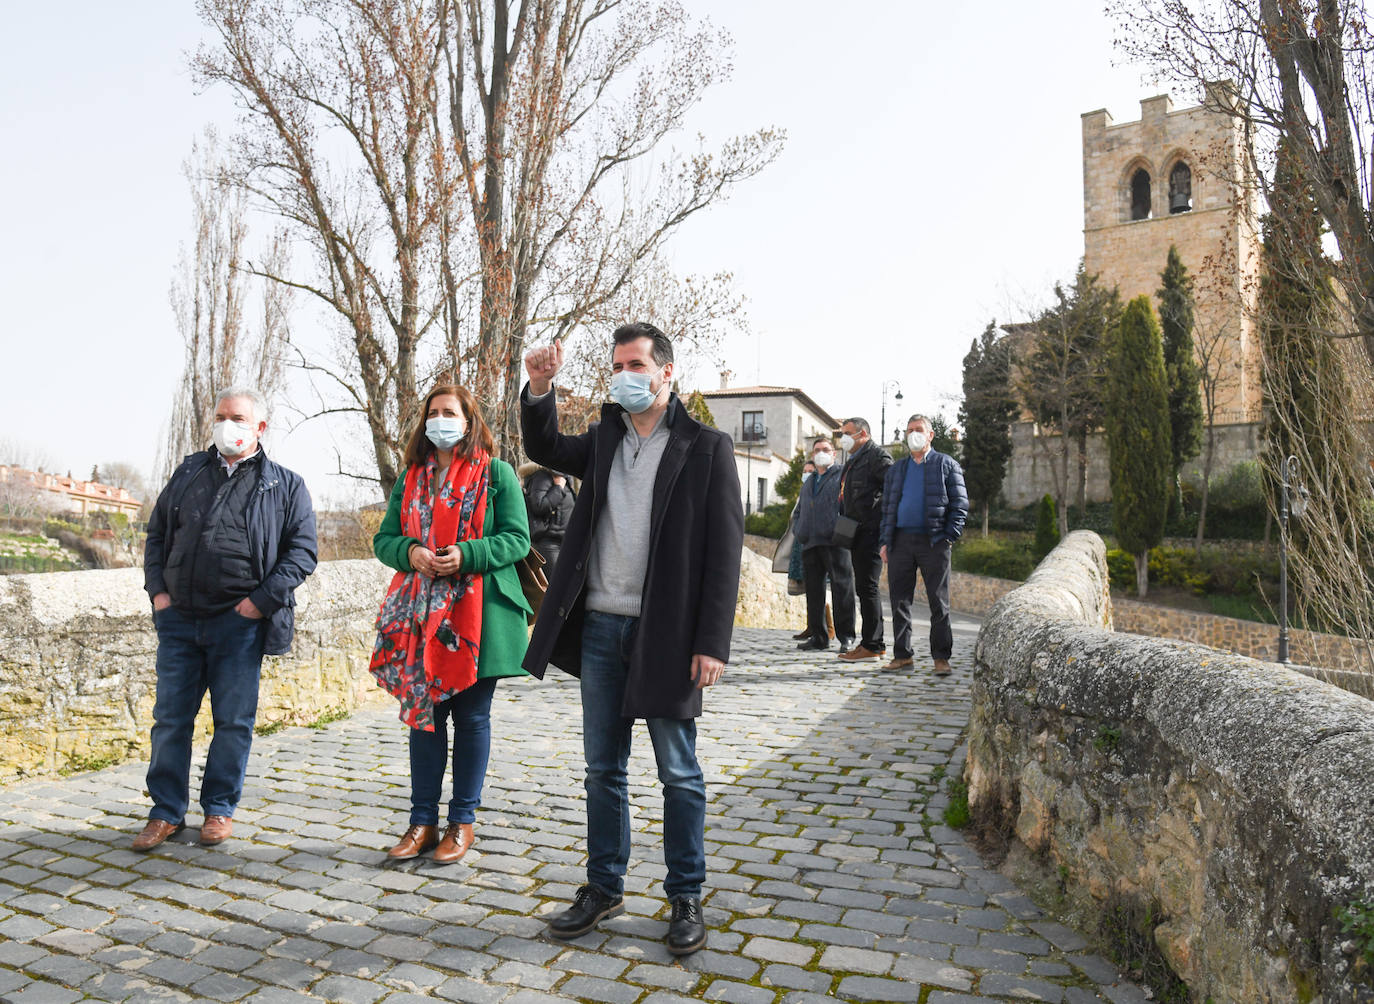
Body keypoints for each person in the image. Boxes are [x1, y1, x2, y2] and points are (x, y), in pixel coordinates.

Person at [521, 322, 743, 957]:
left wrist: (712, 643)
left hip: (668, 635)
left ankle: (686, 895)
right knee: (602, 769)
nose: (625, 374)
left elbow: (724, 556)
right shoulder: (606, 437)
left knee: (679, 772)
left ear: (665, 372)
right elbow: (544, 442)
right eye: (618, 365)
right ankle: (603, 885)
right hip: (598, 627)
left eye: (637, 364)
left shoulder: (706, 447)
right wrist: (540, 386)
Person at [136, 387, 317, 851]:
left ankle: (218, 809)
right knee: (170, 721)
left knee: (233, 722)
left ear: (259, 427)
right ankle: (165, 812)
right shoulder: (189, 471)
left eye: (236, 417)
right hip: (179, 619)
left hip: (239, 624)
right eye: (220, 416)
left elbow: (302, 553)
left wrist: (259, 602)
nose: (226, 425)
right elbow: (157, 535)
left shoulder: (285, 484)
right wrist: (158, 593)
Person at [370, 383, 532, 864]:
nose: (441, 419)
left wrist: (466, 554)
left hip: (479, 616)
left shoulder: (497, 474)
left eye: (450, 412)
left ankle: (462, 822)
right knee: (425, 719)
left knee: (471, 718)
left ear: (468, 420)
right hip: (420, 615)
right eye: (433, 412)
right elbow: (385, 540)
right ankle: (422, 821)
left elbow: (516, 540)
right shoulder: (411, 477)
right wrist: (412, 552)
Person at [880, 414, 969, 675]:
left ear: (930, 435)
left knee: (938, 602)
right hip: (900, 541)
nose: (913, 434)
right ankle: (902, 655)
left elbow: (960, 504)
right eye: (909, 430)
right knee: (898, 601)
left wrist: (949, 535)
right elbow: (887, 508)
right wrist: (885, 541)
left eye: (919, 429)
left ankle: (941, 658)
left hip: (934, 542)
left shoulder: (946, 464)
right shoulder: (897, 470)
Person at [836, 417, 893, 662]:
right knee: (863, 587)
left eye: (847, 433)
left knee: (868, 588)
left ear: (863, 434)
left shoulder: (876, 457)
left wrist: (879, 523)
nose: (843, 438)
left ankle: (872, 645)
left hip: (870, 533)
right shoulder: (853, 460)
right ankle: (872, 644)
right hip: (855, 532)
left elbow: (893, 491)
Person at [794, 437, 856, 652]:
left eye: (825, 449)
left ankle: (846, 637)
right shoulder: (809, 480)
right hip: (810, 542)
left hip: (835, 542)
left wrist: (843, 535)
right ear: (812, 455)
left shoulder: (842, 476)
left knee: (843, 589)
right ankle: (818, 636)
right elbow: (800, 509)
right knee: (813, 591)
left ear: (834, 454)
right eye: (817, 450)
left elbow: (850, 506)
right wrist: (799, 530)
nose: (821, 452)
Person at [523, 467, 575, 574]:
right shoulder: (542, 476)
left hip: (565, 543)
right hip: (549, 543)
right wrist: (558, 488)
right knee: (554, 586)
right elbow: (539, 506)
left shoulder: (565, 477)